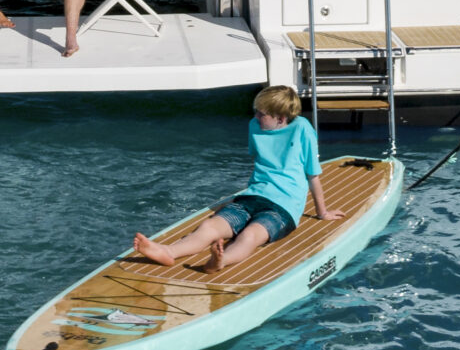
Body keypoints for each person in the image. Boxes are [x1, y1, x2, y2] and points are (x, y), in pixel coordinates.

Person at [131, 85, 342, 270]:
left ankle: (221, 260)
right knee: (210, 226)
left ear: (281, 118)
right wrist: (238, 197)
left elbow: (312, 175)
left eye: (262, 114)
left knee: (250, 235)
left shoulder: (302, 129)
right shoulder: (255, 126)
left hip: (284, 207)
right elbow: (261, 164)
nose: (256, 117)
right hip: (253, 197)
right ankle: (169, 251)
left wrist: (322, 212)